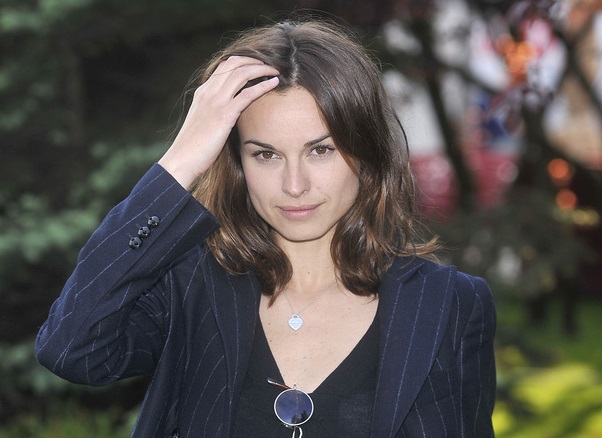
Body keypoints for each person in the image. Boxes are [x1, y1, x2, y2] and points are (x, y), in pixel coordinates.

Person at [35, 19, 496, 438]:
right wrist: (181, 160)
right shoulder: (189, 287)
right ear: (238, 164)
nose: (294, 185)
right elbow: (71, 348)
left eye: (320, 150)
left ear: (366, 153)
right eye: (266, 154)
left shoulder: (449, 305)